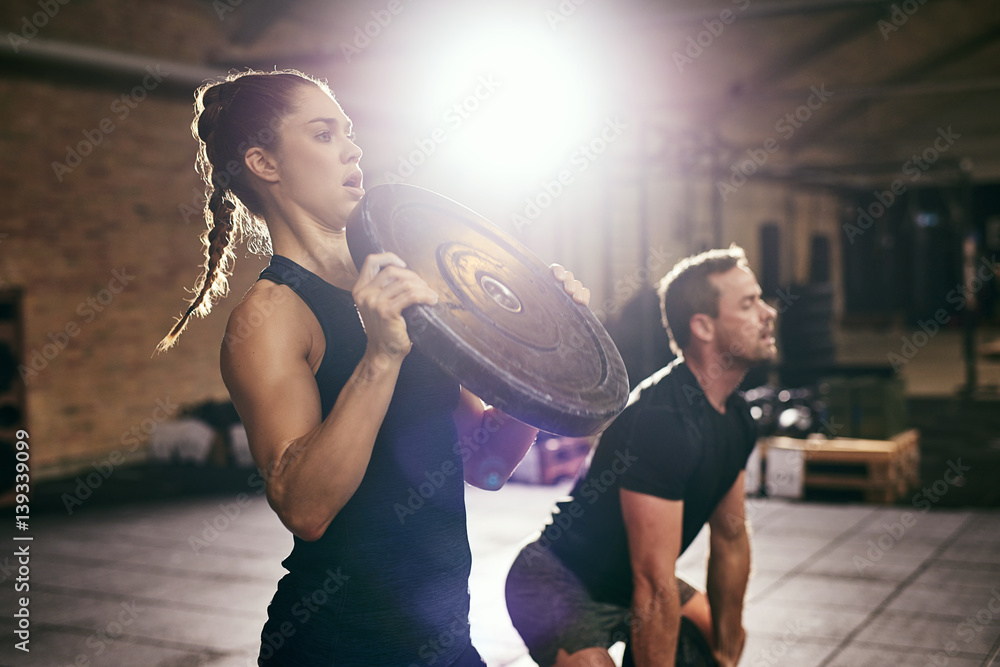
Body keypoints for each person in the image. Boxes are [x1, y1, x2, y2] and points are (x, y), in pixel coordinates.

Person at [157, 68, 589, 666]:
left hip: (444, 640)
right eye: (323, 134)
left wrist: (538, 359)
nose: (353, 148)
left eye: (350, 132)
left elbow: (486, 463)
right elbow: (305, 509)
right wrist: (380, 356)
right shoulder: (272, 317)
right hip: (339, 644)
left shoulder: (402, 282)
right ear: (264, 163)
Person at [505, 246, 777, 667]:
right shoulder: (662, 422)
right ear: (703, 327)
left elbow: (730, 538)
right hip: (556, 577)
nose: (768, 312)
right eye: (749, 304)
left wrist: (724, 652)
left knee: (719, 634)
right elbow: (654, 583)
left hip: (626, 581)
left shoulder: (737, 418)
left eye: (760, 299)